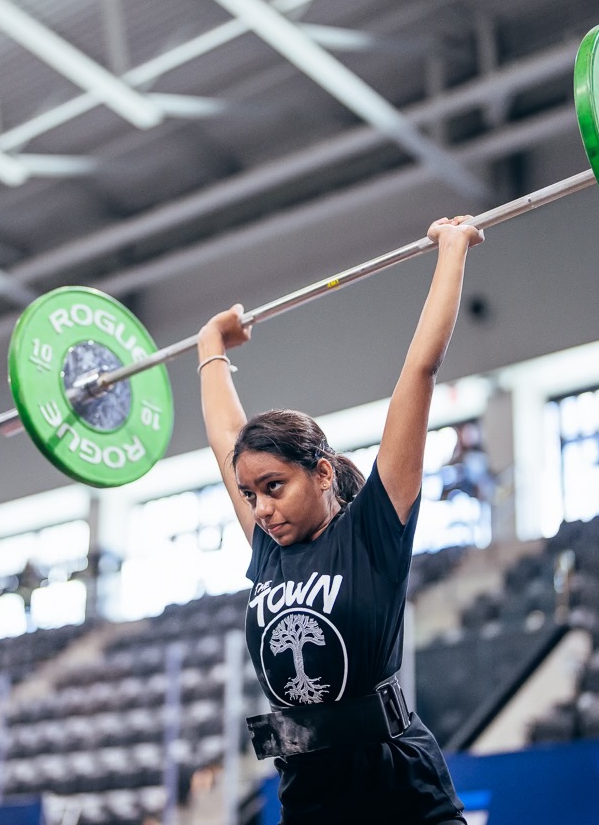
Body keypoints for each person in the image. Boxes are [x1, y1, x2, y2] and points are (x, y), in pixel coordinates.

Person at [197, 216, 483, 823]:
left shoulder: (373, 530)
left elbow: (418, 374)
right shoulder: (268, 547)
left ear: (322, 473)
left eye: (274, 487)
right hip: (310, 792)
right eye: (250, 495)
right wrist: (209, 348)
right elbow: (226, 434)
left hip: (399, 786)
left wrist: (451, 252)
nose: (262, 507)